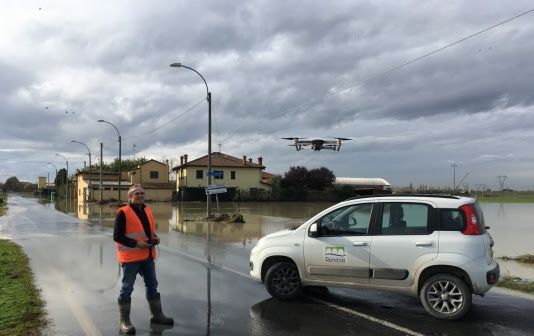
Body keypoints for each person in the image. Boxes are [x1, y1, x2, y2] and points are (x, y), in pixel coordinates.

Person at [113, 184, 173, 334]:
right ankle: (124, 322)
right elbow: (117, 236)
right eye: (136, 194)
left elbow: (148, 231)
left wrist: (155, 238)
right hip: (131, 257)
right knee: (127, 289)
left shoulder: (146, 210)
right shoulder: (123, 212)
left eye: (141, 193)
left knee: (152, 285)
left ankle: (157, 315)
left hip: (147, 256)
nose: (139, 195)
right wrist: (136, 243)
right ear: (130, 197)